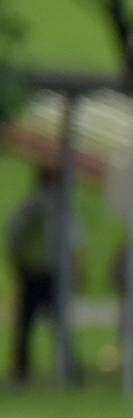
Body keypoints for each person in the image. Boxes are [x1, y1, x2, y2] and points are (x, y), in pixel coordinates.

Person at [6, 164, 67, 385]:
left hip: (42, 270)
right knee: (42, 323)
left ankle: (28, 367)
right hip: (37, 271)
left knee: (39, 323)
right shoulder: (37, 206)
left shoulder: (47, 206)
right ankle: (26, 368)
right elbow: (15, 237)